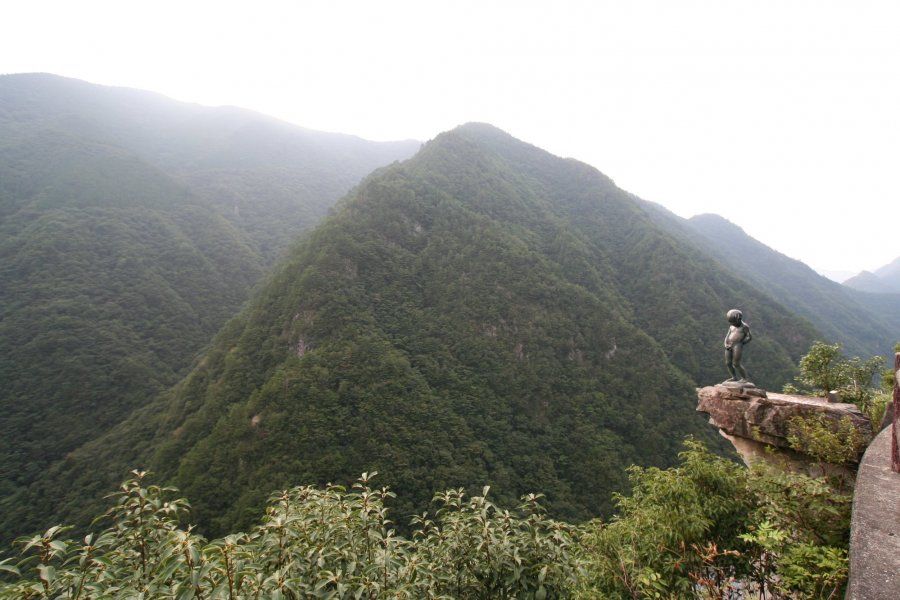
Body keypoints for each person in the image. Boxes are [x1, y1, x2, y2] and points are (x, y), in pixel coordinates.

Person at [724, 309, 752, 382]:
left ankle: (744, 378)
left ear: (738, 319)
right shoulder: (731, 326)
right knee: (728, 363)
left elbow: (749, 337)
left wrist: (742, 343)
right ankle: (734, 377)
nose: (732, 324)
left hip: (737, 345)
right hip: (729, 345)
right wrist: (725, 344)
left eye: (733, 322)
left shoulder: (745, 327)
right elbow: (727, 336)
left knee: (736, 363)